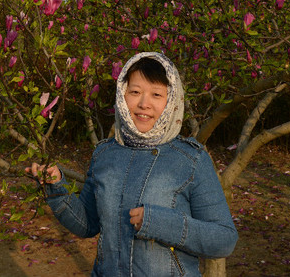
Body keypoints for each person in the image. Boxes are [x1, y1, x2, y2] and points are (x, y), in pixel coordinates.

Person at [26, 51, 238, 276]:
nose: (144, 103)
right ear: (122, 94)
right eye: (135, 92)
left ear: (172, 100)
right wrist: (57, 187)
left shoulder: (190, 159)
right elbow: (87, 224)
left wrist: (161, 223)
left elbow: (224, 240)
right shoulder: (105, 154)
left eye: (156, 94)